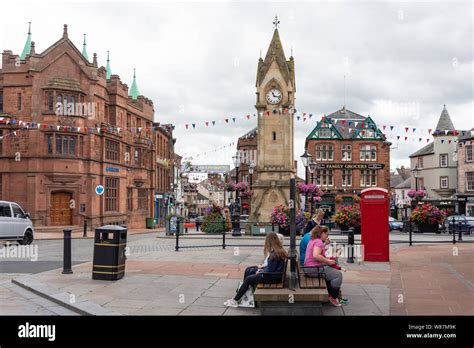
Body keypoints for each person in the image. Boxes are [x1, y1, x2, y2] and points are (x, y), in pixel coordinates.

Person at [224, 232, 287, 307]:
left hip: (273, 277)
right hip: (275, 276)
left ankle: (235, 300)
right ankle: (242, 295)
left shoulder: (275, 254)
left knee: (248, 279)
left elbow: (270, 271)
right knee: (249, 272)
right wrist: (261, 271)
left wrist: (260, 272)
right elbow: (271, 268)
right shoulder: (278, 251)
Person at [304, 226, 346, 307]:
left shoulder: (313, 240)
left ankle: (332, 295)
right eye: (327, 234)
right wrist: (328, 262)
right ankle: (333, 297)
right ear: (322, 233)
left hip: (309, 267)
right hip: (313, 269)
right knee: (338, 275)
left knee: (333, 270)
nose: (327, 236)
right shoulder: (318, 242)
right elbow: (316, 255)